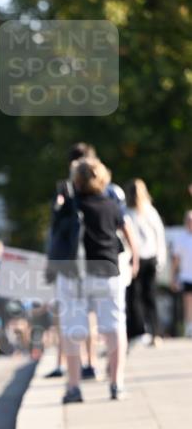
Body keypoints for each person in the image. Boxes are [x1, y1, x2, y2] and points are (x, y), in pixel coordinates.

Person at [56, 158, 139, 403]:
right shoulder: (111, 205)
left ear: (76, 179)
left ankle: (74, 387)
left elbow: (57, 236)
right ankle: (116, 383)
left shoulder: (69, 205)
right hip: (107, 270)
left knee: (73, 330)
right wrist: (134, 260)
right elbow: (127, 232)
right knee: (114, 327)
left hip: (75, 274)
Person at [124, 179, 167, 345]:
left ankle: (155, 332)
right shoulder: (126, 211)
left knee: (149, 295)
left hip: (150, 257)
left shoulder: (149, 211)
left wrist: (160, 257)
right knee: (133, 296)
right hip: (134, 258)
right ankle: (138, 331)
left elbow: (159, 235)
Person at [171, 210, 192, 337]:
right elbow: (176, 260)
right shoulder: (181, 238)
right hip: (186, 276)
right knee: (188, 302)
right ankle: (189, 327)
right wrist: (173, 277)